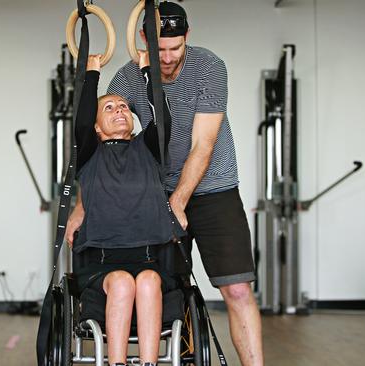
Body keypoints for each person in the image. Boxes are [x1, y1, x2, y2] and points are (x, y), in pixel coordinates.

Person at [66, 2, 264, 365]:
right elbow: (104, 153)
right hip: (152, 199)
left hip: (213, 189)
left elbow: (202, 145)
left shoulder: (209, 66)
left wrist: (177, 203)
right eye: (160, 49)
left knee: (237, 289)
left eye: (176, 48)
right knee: (172, 291)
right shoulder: (126, 79)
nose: (169, 57)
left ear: (187, 37)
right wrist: (83, 206)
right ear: (143, 39)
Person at [72, 51, 179, 366]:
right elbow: (80, 120)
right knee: (121, 282)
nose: (119, 110)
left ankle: (149, 364)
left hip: (150, 257)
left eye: (123, 106)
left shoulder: (147, 149)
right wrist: (92, 72)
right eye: (109, 107)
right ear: (96, 127)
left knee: (147, 281)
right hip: (102, 263)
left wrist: (148, 68)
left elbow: (162, 115)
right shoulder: (90, 154)